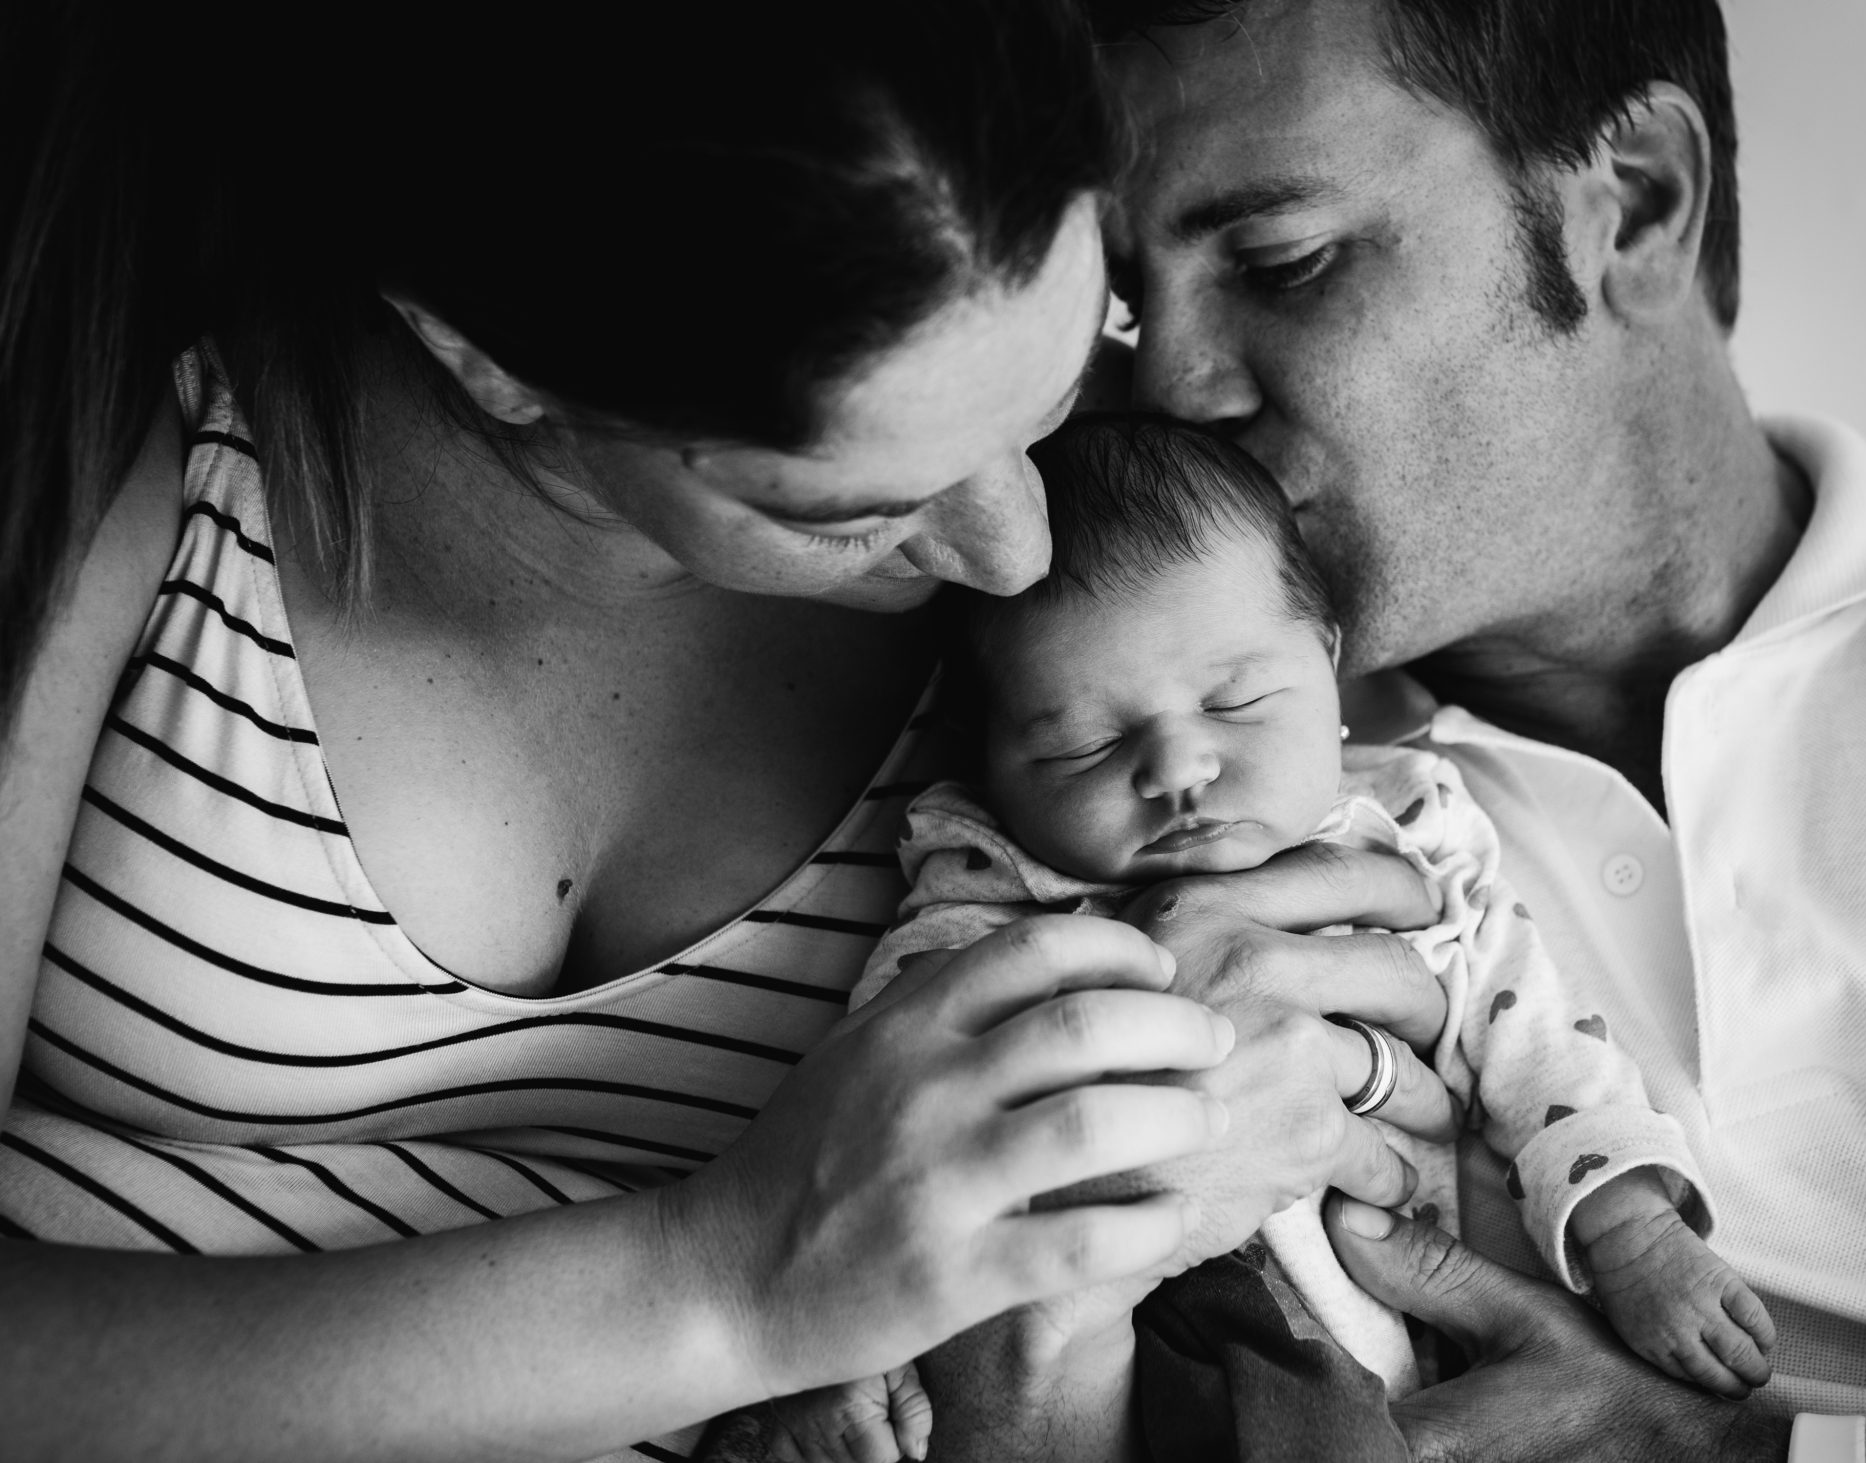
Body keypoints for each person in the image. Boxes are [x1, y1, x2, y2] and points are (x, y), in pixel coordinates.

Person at [0, 5, 1447, 1459]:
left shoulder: (1135, 568)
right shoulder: (115, 450)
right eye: (849, 504)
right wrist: (733, 1283)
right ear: (487, 355)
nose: (1013, 553)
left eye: (1061, 382)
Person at [1086, 0, 1866, 1457]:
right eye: (1121, 309)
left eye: (1285, 262)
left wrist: (1743, 1449)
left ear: (1639, 203)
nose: (1171, 386)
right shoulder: (1130, 791)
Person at [772, 411, 1772, 1462]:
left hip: (1389, 1338)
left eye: (1237, 698)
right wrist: (840, 1359)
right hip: (1127, 1336)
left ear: (1328, 660)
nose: (1177, 765)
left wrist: (1630, 1231)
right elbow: (886, 1121)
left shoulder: (1413, 831)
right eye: (1083, 743)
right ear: (988, 761)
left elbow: (1538, 1037)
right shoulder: (988, 877)